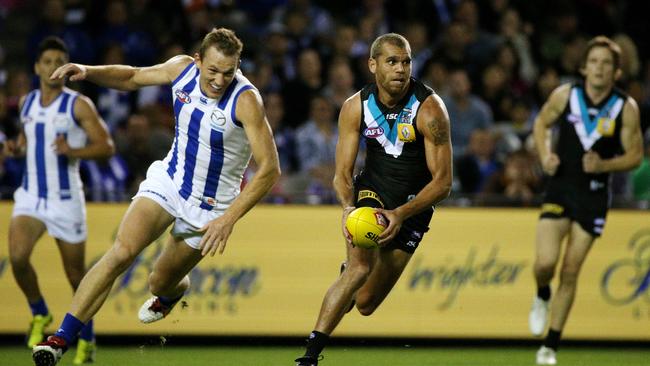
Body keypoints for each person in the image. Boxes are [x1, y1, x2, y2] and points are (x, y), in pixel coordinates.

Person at [32, 28, 280, 366]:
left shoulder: (247, 100)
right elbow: (132, 77)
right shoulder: (181, 69)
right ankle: (60, 338)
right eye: (213, 70)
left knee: (158, 281)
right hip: (169, 180)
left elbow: (269, 169)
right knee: (121, 252)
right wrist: (88, 71)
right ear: (198, 61)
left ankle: (170, 293)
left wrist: (227, 220)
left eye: (229, 71)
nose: (220, 80)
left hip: (210, 206)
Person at [294, 33, 452, 366]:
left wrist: (401, 213)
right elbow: (342, 174)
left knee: (365, 303)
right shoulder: (355, 107)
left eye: (406, 61)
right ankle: (310, 355)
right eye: (392, 61)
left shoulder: (430, 109)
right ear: (373, 65)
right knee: (357, 270)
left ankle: (351, 276)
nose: (400, 69)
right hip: (371, 195)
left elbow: (443, 183)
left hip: (412, 209)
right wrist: (347, 208)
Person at [529, 36, 643, 365]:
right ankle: (541, 294)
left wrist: (605, 165)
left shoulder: (625, 108)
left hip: (593, 196)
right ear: (583, 67)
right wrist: (545, 154)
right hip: (560, 188)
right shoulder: (566, 96)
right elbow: (540, 123)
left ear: (616, 72)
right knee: (545, 263)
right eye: (594, 61)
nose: (599, 68)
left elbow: (635, 155)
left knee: (570, 270)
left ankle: (550, 345)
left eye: (606, 63)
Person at [6, 36, 114, 364]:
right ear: (38, 67)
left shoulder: (78, 105)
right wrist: (16, 148)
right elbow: (27, 141)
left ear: (66, 70)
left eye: (59, 61)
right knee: (18, 257)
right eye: (48, 61)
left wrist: (74, 152)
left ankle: (88, 338)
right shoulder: (26, 102)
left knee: (76, 278)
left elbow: (107, 146)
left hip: (66, 200)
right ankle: (39, 312)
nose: (53, 66)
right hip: (32, 196)